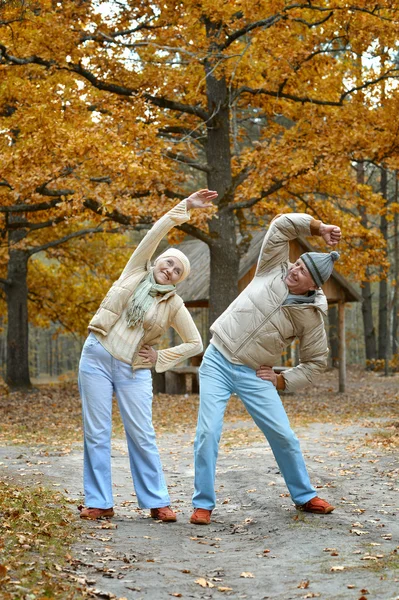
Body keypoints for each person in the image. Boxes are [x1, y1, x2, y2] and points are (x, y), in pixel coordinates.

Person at [190, 212, 342, 525]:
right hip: (218, 359)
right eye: (297, 264)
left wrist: (282, 381)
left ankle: (304, 496)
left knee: (284, 435)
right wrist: (318, 227)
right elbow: (281, 224)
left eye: (303, 272)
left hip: (254, 373)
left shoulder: (311, 316)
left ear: (314, 285)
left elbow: (316, 362)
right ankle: (203, 503)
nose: (295, 271)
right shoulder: (274, 266)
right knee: (208, 432)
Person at [78, 189, 217, 522]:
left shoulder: (173, 304)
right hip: (96, 356)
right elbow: (156, 232)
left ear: (178, 282)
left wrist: (160, 358)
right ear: (158, 261)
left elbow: (195, 342)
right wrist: (184, 208)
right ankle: (99, 502)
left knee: (141, 434)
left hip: (135, 369)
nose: (170, 270)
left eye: (177, 272)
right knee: (96, 433)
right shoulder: (135, 271)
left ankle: (157, 501)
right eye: (169, 262)